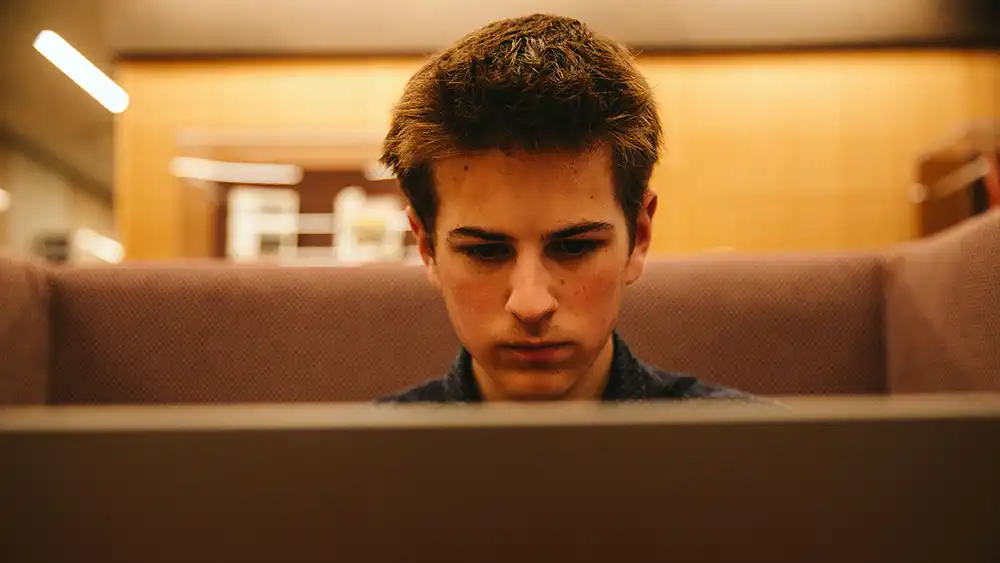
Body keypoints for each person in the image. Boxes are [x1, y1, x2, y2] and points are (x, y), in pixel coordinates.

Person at [377, 14, 750, 403]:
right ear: (426, 247)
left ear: (639, 235)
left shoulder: (762, 456)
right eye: (484, 251)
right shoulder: (349, 463)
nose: (531, 305)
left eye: (574, 247)